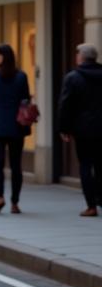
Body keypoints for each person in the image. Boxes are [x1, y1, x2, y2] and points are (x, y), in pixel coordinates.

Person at [0, 44, 31, 214]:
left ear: (4, 57)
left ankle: (0, 197)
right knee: (16, 165)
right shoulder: (21, 77)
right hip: (17, 125)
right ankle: (15, 203)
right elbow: (26, 99)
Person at [58, 43, 102, 217]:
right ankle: (100, 198)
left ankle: (91, 206)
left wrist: (64, 128)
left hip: (83, 130)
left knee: (85, 165)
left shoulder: (73, 78)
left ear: (80, 57)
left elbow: (65, 106)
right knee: (101, 165)